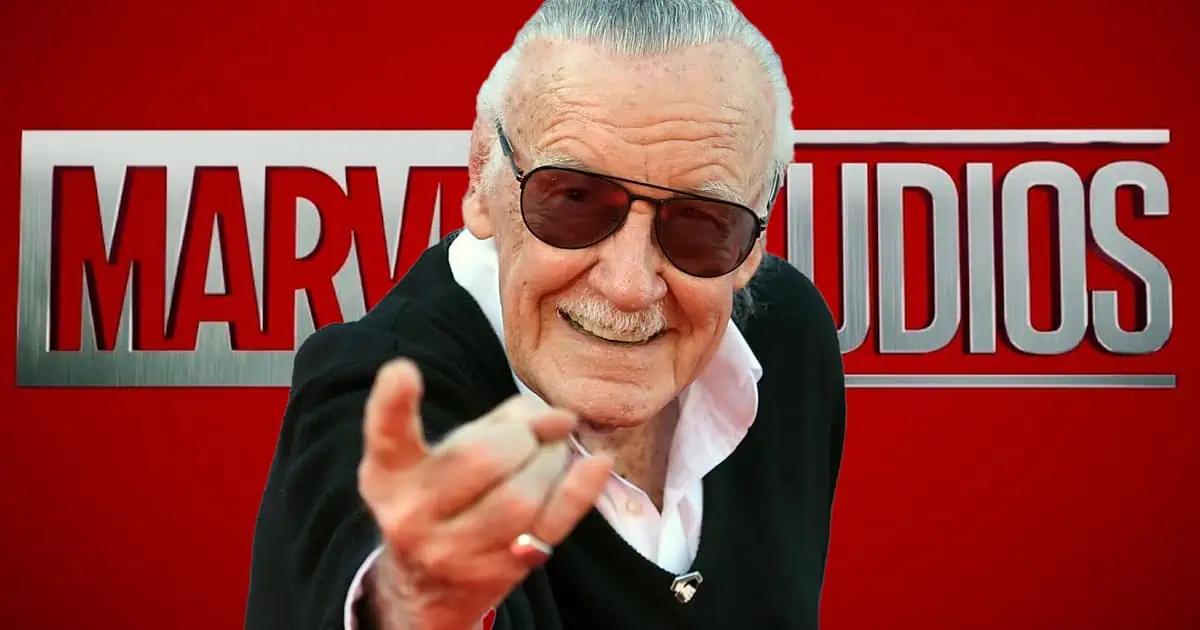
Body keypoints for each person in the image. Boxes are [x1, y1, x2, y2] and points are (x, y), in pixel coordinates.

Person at [246, 1, 845, 628]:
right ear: (482, 177)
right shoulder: (377, 397)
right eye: (574, 200)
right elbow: (366, 573)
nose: (629, 286)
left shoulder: (785, 338)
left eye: (700, 220)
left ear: (755, 238)